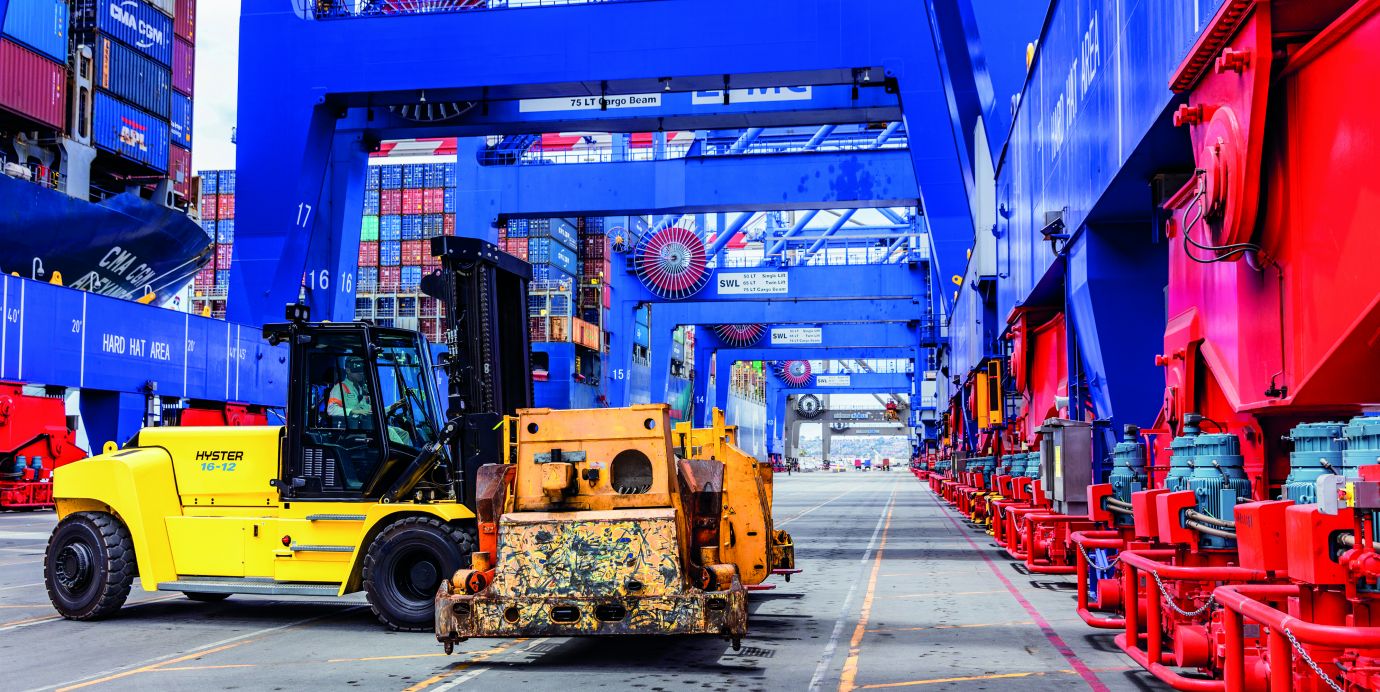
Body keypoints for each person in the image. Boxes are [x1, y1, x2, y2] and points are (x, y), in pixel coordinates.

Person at [327, 356, 373, 423]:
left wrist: (389, 408)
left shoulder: (361, 389)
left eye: (362, 370)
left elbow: (366, 408)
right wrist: (351, 411)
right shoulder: (339, 388)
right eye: (357, 370)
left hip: (363, 426)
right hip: (348, 427)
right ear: (348, 370)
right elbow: (331, 410)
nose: (361, 373)